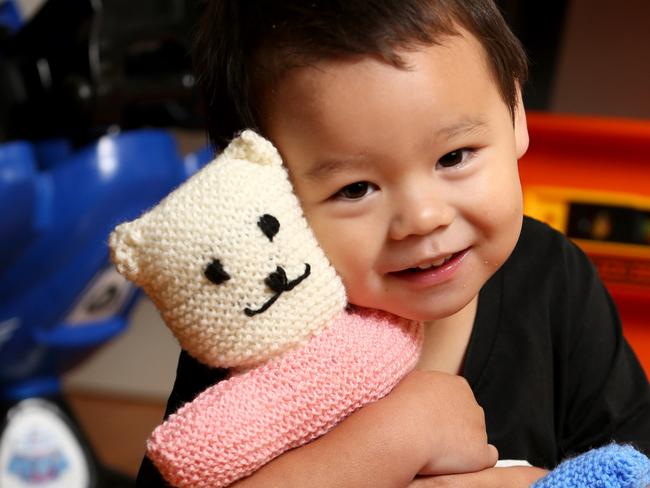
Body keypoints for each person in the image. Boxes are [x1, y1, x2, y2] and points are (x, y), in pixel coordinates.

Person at [137, 1, 650, 486]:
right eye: (355, 189)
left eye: (454, 157)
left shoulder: (553, 279)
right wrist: (394, 441)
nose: (422, 219)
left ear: (514, 113)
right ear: (263, 192)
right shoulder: (254, 325)